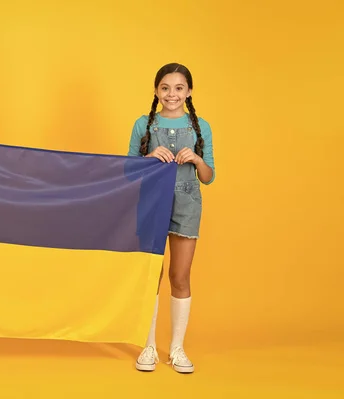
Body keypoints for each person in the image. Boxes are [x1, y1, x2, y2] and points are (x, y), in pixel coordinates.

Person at [127, 63, 216, 374]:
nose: (172, 94)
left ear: (189, 92)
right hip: (151, 202)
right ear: (156, 91)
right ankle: (148, 345)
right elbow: (127, 171)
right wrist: (149, 158)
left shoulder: (200, 126)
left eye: (179, 88)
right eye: (165, 88)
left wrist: (195, 158)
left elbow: (209, 177)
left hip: (187, 203)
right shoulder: (144, 124)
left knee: (180, 277)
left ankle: (177, 348)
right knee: (152, 276)